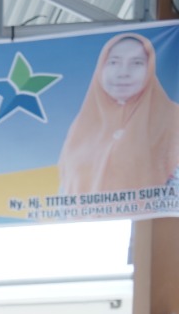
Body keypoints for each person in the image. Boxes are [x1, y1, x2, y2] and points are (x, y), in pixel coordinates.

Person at [58, 32, 179, 196]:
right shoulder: (82, 124)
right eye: (114, 62)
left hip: (155, 220)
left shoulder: (172, 117)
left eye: (136, 63)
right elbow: (65, 191)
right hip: (85, 220)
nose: (123, 72)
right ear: (101, 68)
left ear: (150, 68)